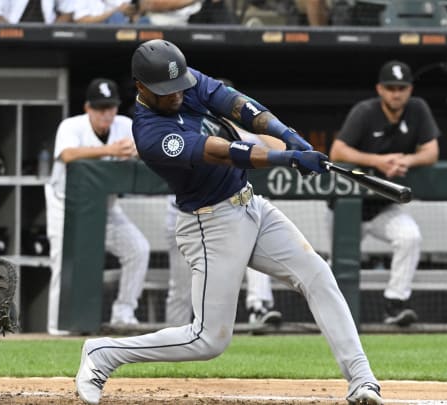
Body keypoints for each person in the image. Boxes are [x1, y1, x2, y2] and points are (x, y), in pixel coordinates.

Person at [75, 39, 382, 405]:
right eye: (166, 91)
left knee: (317, 274)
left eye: (179, 86)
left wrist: (287, 135)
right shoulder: (150, 133)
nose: (177, 94)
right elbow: (218, 152)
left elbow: (237, 105)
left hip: (251, 205)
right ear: (141, 87)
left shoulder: (184, 81)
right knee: (207, 340)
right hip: (211, 223)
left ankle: (362, 380)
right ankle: (104, 353)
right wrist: (285, 159)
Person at [329, 60, 440, 327]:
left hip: (381, 207)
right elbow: (337, 152)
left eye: (401, 88)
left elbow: (432, 151)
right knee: (335, 266)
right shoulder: (365, 112)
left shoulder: (417, 109)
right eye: (390, 87)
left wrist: (407, 161)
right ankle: (331, 317)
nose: (396, 93)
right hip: (347, 208)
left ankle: (395, 304)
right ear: (380, 89)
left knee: (410, 237)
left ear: (410, 89)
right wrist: (376, 161)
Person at [45, 78, 150, 335]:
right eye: (100, 108)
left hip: (107, 207)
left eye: (111, 107)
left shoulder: (125, 125)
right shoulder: (72, 126)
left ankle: (123, 313)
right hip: (66, 207)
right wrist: (112, 150)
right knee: (63, 263)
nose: (106, 114)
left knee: (138, 249)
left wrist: (136, 151)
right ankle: (58, 328)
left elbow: (148, 148)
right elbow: (67, 155)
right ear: (88, 108)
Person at [164, 132, 284, 329]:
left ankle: (258, 307)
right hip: (186, 216)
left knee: (254, 242)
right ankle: (173, 335)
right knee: (181, 287)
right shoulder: (181, 126)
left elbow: (281, 147)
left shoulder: (227, 126)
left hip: (226, 213)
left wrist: (246, 127)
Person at [0, 0, 74, 23]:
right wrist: (13, 33)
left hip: (50, 46)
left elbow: (68, 12)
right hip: (9, 45)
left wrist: (53, 34)